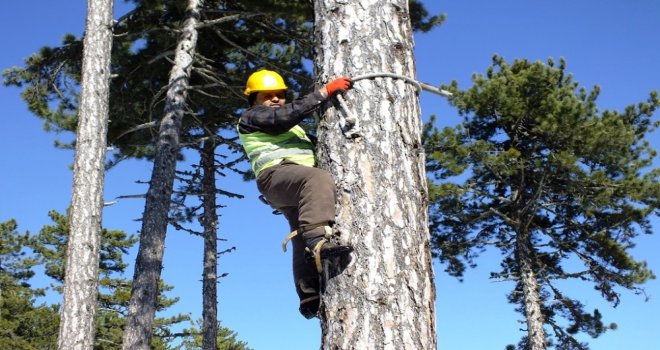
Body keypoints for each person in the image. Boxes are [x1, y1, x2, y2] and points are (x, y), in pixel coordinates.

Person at [237, 69, 354, 318]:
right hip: (278, 177)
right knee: (317, 177)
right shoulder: (253, 116)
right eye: (267, 95)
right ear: (254, 100)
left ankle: (308, 291)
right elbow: (283, 117)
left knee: (300, 233)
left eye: (280, 95)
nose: (276, 99)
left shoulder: (295, 130)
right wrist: (324, 93)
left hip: (295, 188)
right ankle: (319, 243)